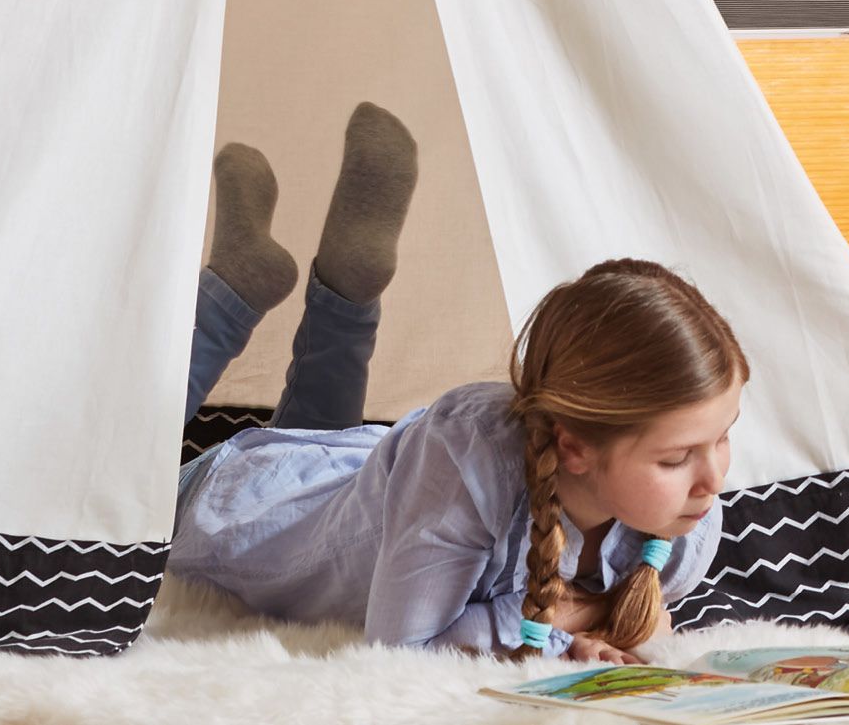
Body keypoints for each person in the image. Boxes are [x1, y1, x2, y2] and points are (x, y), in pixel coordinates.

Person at [170, 102, 745, 661]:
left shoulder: (685, 528)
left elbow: (599, 617)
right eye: (677, 458)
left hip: (354, 479)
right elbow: (404, 650)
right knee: (116, 483)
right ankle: (228, 298)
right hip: (248, 511)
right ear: (572, 446)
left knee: (330, 465)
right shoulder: (468, 463)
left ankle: (341, 293)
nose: (714, 478)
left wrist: (575, 635)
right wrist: (568, 615)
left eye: (722, 437)